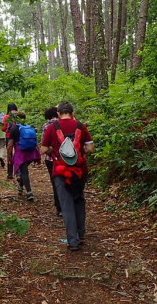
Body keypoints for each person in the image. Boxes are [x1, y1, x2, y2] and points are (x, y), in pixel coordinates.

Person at [41, 101, 94, 251]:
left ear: (58, 114)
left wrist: (55, 150)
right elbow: (90, 148)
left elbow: (43, 149)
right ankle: (81, 233)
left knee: (66, 205)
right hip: (80, 170)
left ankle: (73, 241)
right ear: (73, 112)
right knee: (79, 199)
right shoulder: (81, 126)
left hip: (60, 170)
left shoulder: (52, 127)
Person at [7, 109, 40, 201]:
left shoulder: (14, 128)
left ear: (14, 120)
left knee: (24, 171)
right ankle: (20, 187)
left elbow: (10, 144)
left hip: (21, 153)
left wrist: (9, 155)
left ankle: (29, 193)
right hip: (31, 152)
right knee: (23, 170)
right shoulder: (30, 127)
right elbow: (35, 141)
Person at [42, 106, 62, 216]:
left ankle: (59, 207)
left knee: (55, 182)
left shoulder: (46, 126)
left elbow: (44, 145)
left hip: (50, 158)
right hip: (64, 157)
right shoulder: (63, 124)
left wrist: (51, 151)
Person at [1, 103, 19, 180]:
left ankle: (10, 173)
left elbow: (3, 128)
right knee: (18, 153)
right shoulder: (18, 115)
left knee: (9, 154)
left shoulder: (6, 117)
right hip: (18, 136)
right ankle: (18, 173)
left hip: (9, 137)